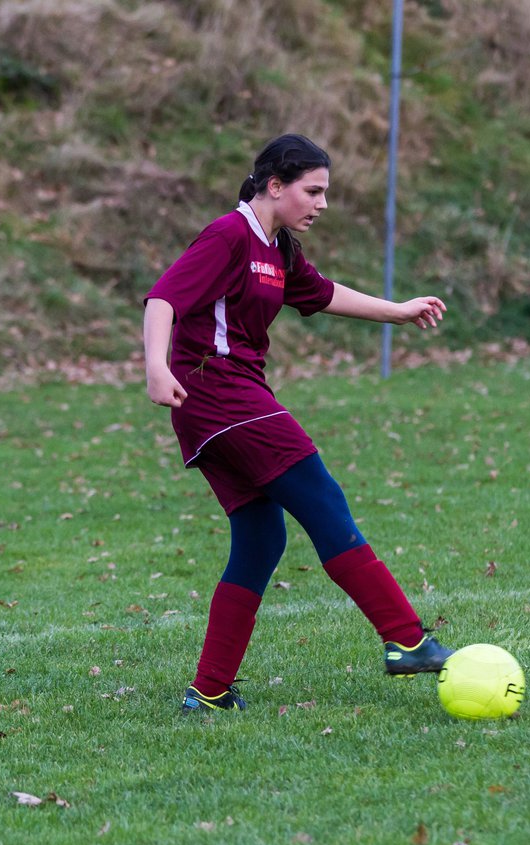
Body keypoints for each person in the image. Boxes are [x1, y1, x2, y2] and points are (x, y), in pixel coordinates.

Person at [143, 133, 453, 714]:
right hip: (220, 395)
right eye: (313, 191)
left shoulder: (277, 247)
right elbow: (164, 299)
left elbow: (319, 293)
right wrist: (157, 368)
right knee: (322, 497)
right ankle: (406, 639)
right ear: (275, 186)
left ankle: (208, 692)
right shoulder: (229, 235)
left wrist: (399, 310)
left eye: (325, 192)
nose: (322, 204)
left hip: (226, 405)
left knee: (262, 539)